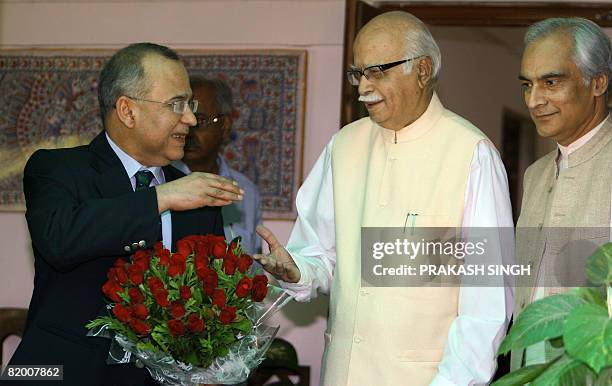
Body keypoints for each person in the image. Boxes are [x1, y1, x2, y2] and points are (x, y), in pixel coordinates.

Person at [254, 11, 514, 386]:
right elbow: (321, 253)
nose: (362, 87)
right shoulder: (343, 146)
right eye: (357, 73)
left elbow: (486, 307)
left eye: (378, 72)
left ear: (422, 71)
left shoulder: (471, 154)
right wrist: (297, 269)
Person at [8, 43, 243, 386]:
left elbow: (209, 299)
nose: (190, 119)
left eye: (189, 106)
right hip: (61, 374)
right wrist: (159, 198)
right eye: (177, 104)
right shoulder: (57, 169)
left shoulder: (196, 194)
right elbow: (60, 238)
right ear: (127, 111)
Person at [512, 18, 612, 370]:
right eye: (528, 85)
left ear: (597, 83)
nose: (535, 100)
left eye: (551, 82)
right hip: (526, 366)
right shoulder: (536, 174)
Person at [173, 76, 262, 255]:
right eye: (181, 120)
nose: (188, 131)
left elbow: (252, 263)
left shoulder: (246, 191)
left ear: (225, 125)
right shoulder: (161, 184)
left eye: (199, 120)